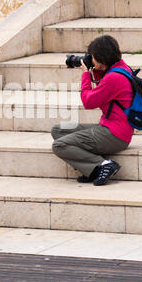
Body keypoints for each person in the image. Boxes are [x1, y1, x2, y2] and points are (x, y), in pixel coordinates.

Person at [51, 35, 134, 186]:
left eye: (93, 57)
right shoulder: (120, 68)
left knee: (59, 145)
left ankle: (102, 165)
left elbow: (89, 102)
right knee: (59, 130)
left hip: (114, 134)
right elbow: (103, 89)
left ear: (102, 57)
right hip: (111, 127)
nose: (91, 59)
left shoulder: (114, 78)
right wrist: (94, 69)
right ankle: (93, 170)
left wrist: (85, 75)